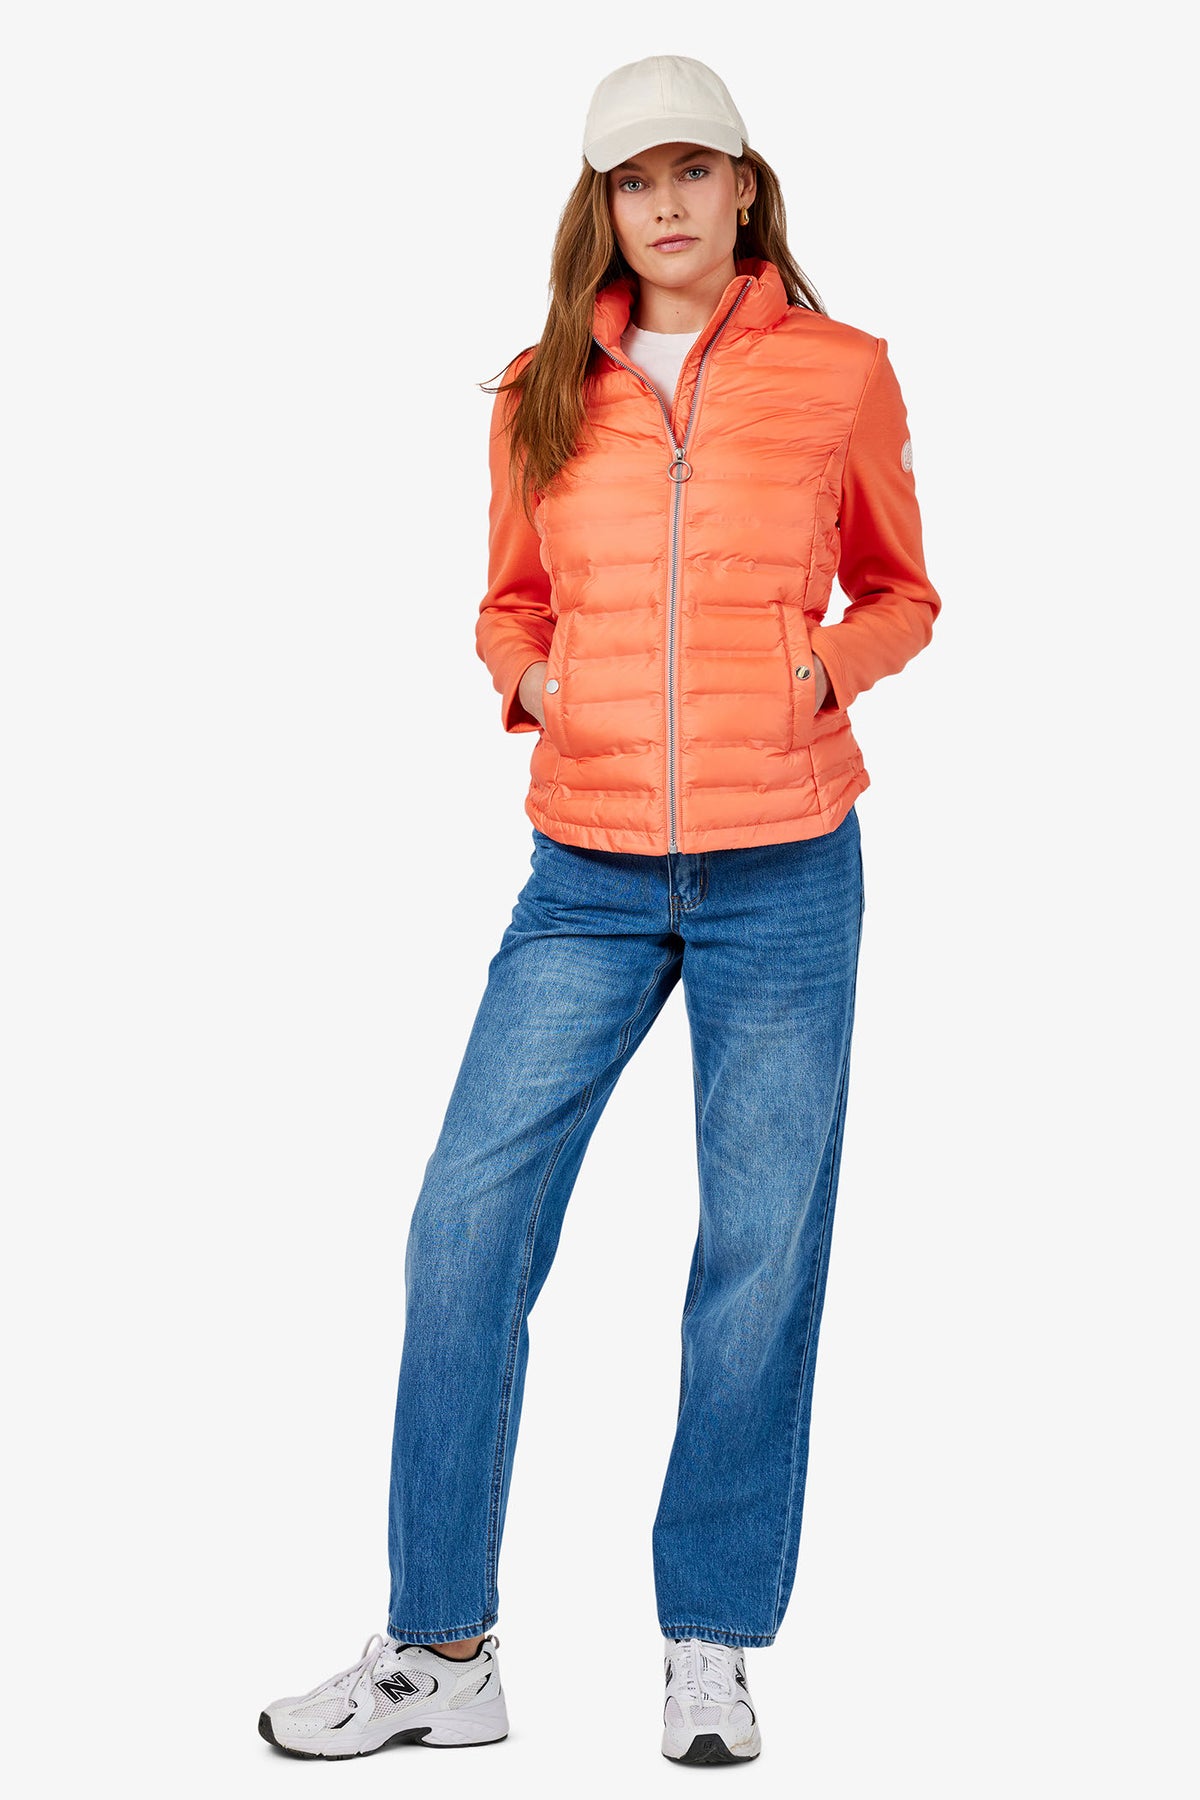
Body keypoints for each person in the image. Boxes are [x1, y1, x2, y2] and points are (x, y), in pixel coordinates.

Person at [259, 52, 941, 1767]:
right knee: (464, 1226)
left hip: (787, 865)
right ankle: (441, 1649)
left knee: (758, 1256)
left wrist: (824, 669)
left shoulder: (842, 372)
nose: (667, 203)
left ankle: (710, 1642)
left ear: (744, 185)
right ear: (602, 205)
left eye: (694, 170)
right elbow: (505, 602)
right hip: (586, 871)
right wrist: (533, 683)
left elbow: (903, 591)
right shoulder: (539, 386)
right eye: (635, 180)